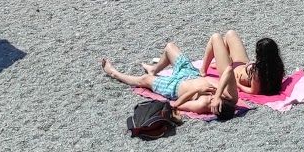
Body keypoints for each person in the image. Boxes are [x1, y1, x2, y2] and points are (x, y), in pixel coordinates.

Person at [100, 45, 240, 118]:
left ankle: (114, 73)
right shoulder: (230, 97)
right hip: (191, 73)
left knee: (144, 80)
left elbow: (176, 105)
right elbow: (228, 70)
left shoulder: (202, 105)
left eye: (213, 103)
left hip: (174, 87)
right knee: (169, 47)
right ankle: (154, 69)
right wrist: (218, 95)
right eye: (215, 100)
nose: (212, 99)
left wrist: (197, 91)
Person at [201, 30, 285, 97]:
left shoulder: (258, 73)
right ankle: (221, 61)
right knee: (231, 34)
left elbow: (253, 91)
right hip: (242, 66)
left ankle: (203, 70)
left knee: (215, 37)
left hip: (229, 76)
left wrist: (238, 84)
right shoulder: (276, 66)